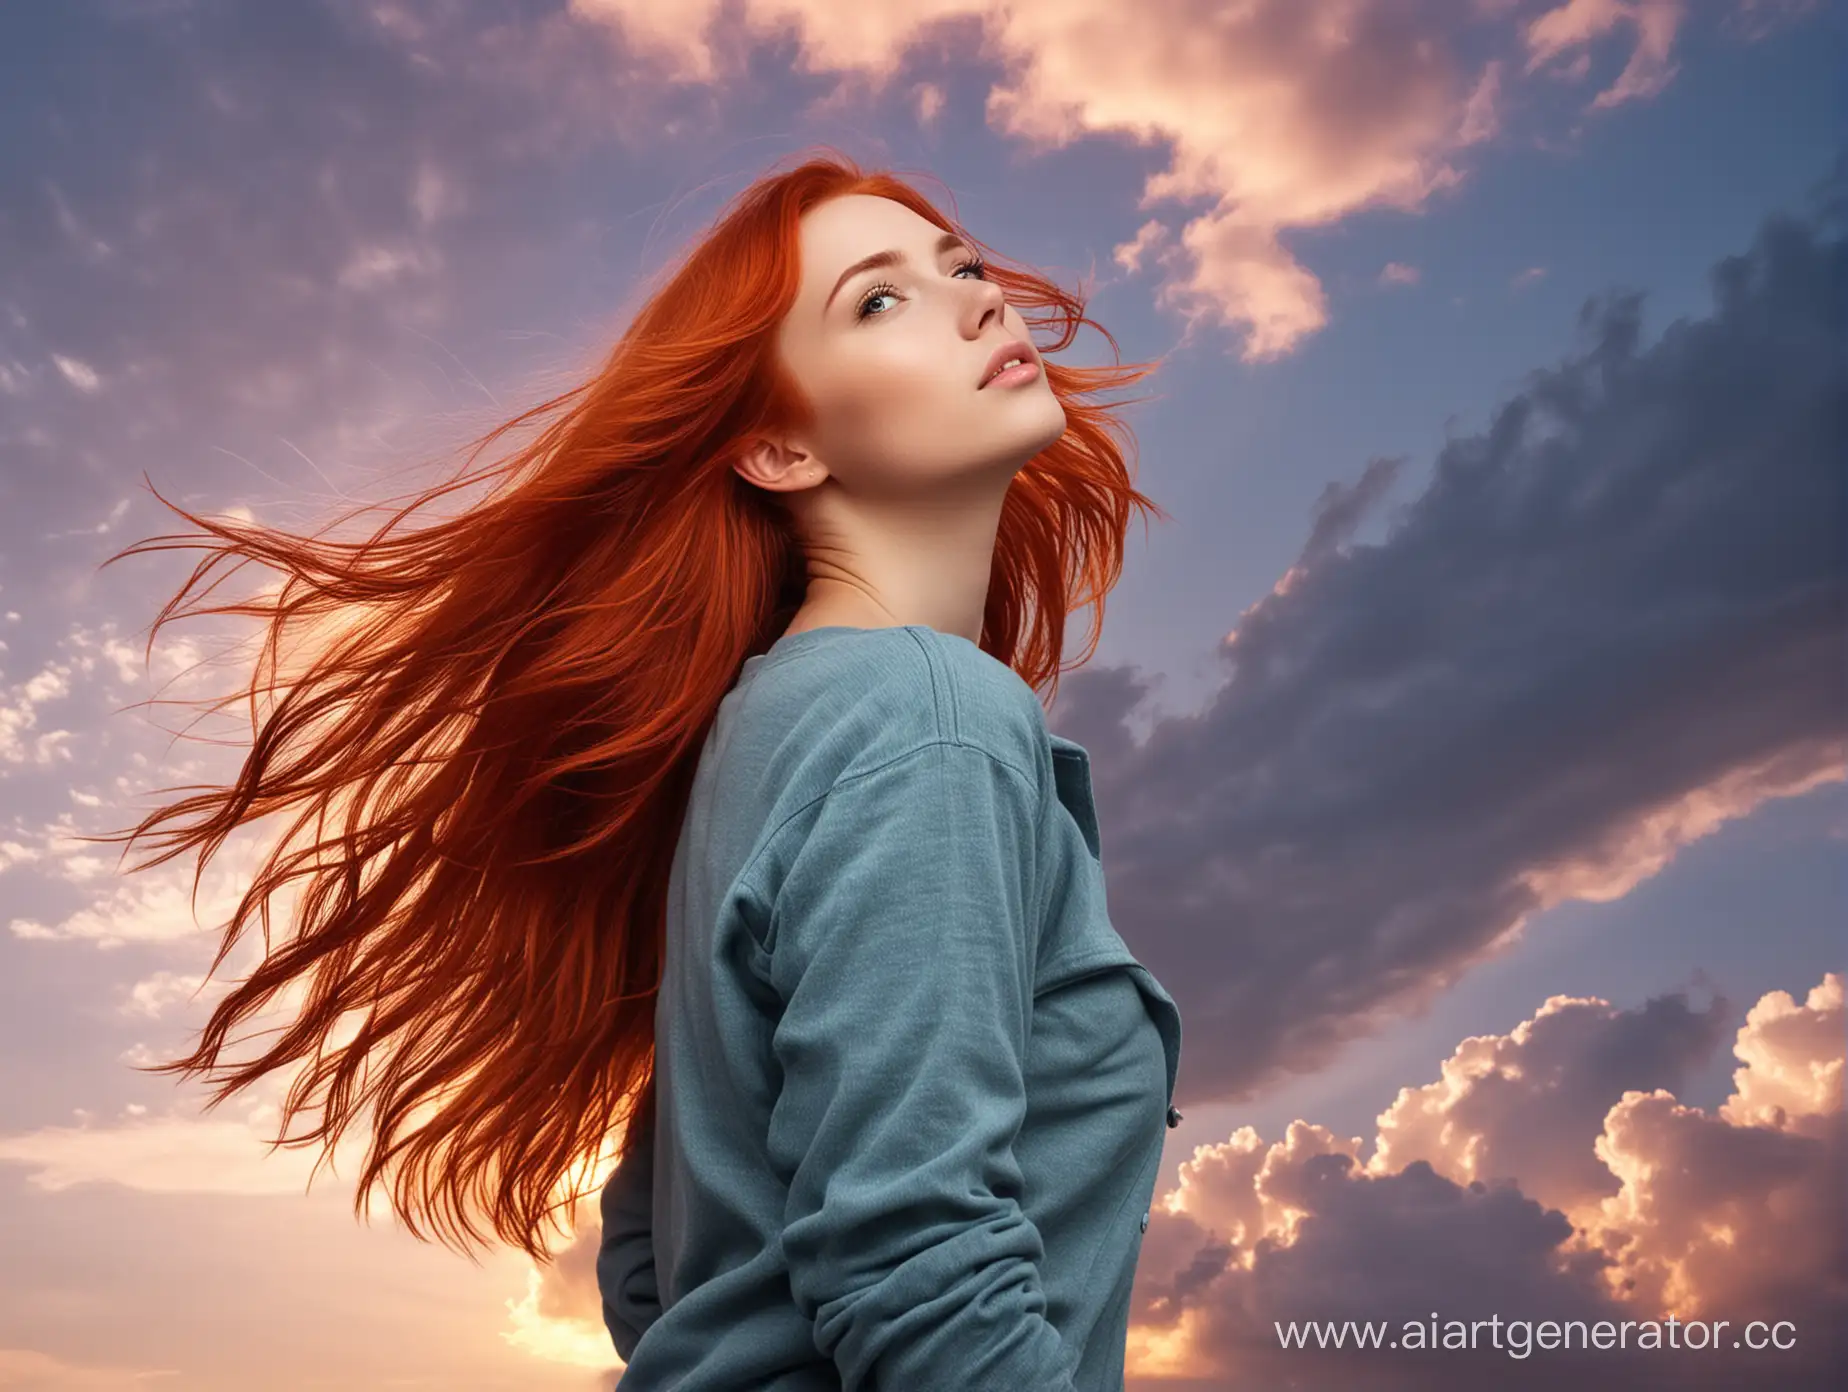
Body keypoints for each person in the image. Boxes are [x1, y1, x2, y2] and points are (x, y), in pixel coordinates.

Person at [91, 148, 1182, 1390]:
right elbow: (916, 1266)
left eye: (963, 264)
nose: (983, 299)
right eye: (880, 300)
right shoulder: (927, 719)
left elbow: (651, 1261)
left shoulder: (762, 733)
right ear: (777, 450)